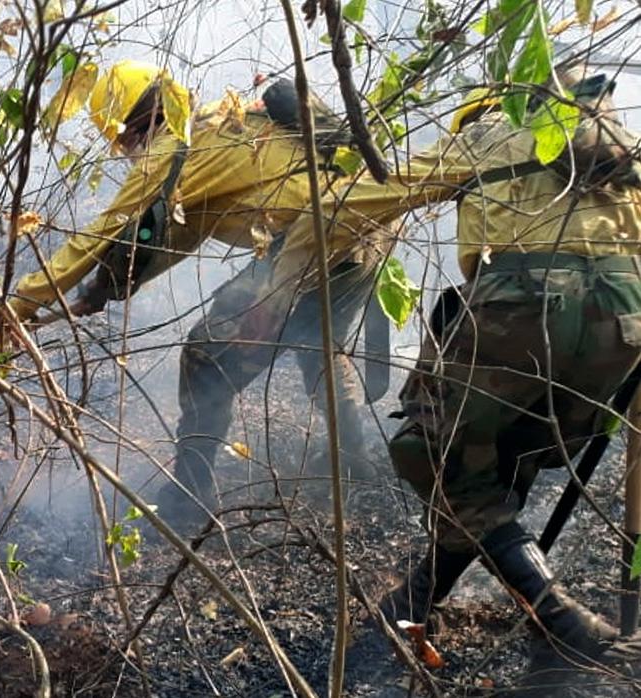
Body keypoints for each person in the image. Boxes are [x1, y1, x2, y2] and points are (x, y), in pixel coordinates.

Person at [259, 63, 641, 680]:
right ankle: (415, 600)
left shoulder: (488, 133)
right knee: (499, 459)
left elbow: (353, 201)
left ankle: (562, 621)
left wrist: (281, 289)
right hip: (624, 322)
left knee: (433, 454)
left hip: (523, 308)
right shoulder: (623, 156)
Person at [4, 61, 387, 529]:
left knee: (207, 356)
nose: (129, 153)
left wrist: (19, 305)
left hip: (311, 246)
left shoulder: (175, 149)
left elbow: (101, 234)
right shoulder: (222, 120)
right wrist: (104, 288)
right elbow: (180, 232)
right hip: (366, 232)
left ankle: (189, 496)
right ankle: (354, 459)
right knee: (318, 342)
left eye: (125, 142)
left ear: (135, 126)